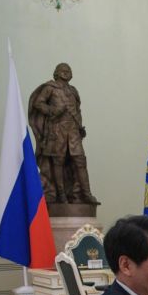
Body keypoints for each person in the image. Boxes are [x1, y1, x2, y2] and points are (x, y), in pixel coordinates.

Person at [28, 63, 97, 205]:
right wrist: (52, 110)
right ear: (57, 73)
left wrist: (79, 127)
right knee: (57, 162)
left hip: (73, 131)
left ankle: (86, 194)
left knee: (80, 160)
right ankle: (61, 195)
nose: (66, 72)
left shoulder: (73, 91)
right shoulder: (50, 88)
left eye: (68, 70)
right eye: (63, 70)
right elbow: (38, 103)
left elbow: (78, 110)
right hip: (57, 130)